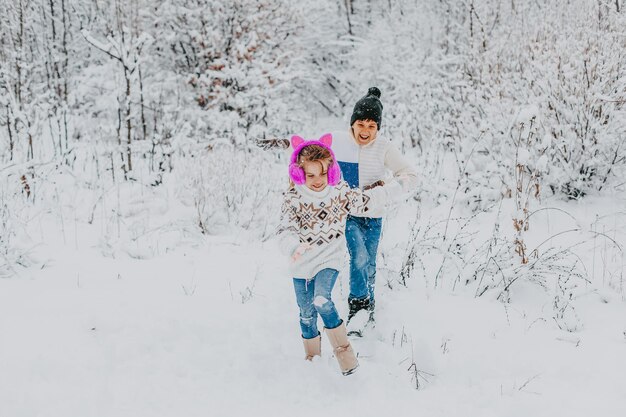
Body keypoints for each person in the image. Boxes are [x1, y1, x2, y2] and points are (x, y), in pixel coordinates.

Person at [277, 133, 391, 375]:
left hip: (329, 258)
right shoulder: (293, 198)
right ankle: (312, 359)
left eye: (322, 174)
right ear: (299, 173)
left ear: (331, 171)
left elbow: (363, 201)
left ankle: (346, 357)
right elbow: (285, 227)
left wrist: (386, 192)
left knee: (321, 299)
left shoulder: (338, 191)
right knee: (306, 314)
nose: (317, 180)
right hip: (301, 263)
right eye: (310, 175)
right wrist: (293, 246)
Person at [333, 87, 418, 331]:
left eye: (372, 126)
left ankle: (368, 306)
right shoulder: (339, 144)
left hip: (374, 216)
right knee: (358, 257)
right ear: (352, 123)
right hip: (349, 215)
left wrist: (383, 193)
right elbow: (311, 157)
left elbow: (410, 176)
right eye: (361, 124)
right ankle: (357, 308)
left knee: (368, 262)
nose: (366, 131)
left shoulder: (384, 147)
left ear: (378, 128)